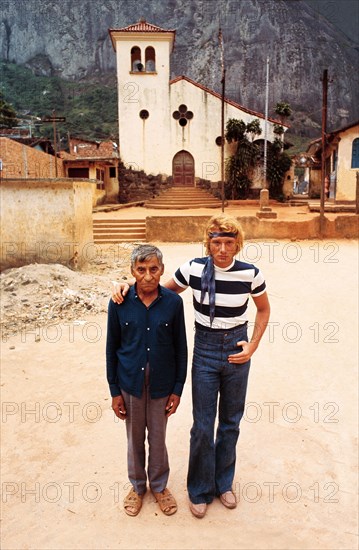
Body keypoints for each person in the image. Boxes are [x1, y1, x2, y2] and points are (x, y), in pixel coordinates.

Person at [113, 215, 270, 518]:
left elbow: (263, 309)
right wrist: (125, 285)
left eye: (228, 242)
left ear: (237, 243)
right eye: (216, 242)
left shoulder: (250, 274)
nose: (222, 249)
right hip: (206, 351)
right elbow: (158, 290)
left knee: (230, 422)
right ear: (208, 243)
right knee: (201, 425)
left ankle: (223, 483)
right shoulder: (194, 269)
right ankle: (199, 489)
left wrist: (253, 345)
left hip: (237, 351)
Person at [106, 244, 187, 517]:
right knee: (134, 437)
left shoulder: (174, 303)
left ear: (162, 270)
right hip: (130, 383)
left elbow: (181, 348)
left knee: (158, 436)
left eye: (154, 269)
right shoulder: (119, 303)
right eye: (141, 270)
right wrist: (114, 390)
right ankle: (137, 487)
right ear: (133, 272)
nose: (148, 276)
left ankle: (160, 486)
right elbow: (111, 348)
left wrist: (177, 389)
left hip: (162, 385)